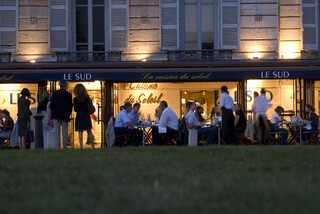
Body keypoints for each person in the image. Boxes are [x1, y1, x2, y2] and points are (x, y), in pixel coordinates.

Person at [50, 80, 73, 149]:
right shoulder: (68, 94)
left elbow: (51, 105)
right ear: (65, 85)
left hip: (56, 115)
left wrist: (53, 112)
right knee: (65, 132)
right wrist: (68, 114)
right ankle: (64, 146)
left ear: (59, 85)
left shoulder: (54, 93)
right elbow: (70, 106)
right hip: (65, 115)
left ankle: (58, 147)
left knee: (57, 132)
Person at [73, 84, 95, 149]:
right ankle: (93, 146)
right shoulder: (87, 98)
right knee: (89, 131)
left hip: (79, 116)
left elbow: (75, 109)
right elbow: (89, 107)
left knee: (80, 132)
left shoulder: (75, 99)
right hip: (86, 116)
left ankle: (81, 147)